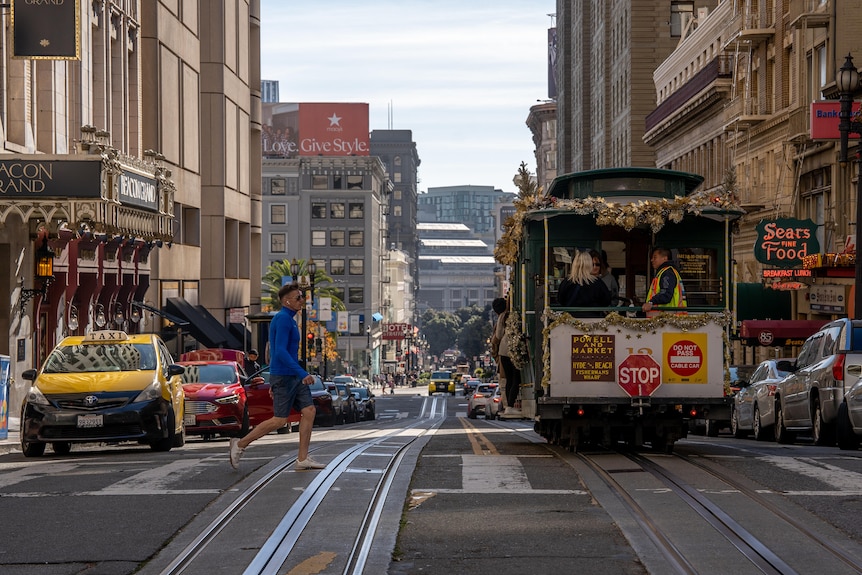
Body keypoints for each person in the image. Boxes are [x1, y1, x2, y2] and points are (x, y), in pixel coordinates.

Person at [229, 283, 325, 470]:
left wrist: (297, 374)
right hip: (285, 376)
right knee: (280, 420)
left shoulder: (289, 320)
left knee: (309, 411)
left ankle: (302, 458)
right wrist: (301, 373)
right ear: (287, 301)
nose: (301, 301)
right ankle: (240, 445)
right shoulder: (282, 319)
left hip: (292, 376)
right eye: (298, 298)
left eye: (301, 297)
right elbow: (279, 351)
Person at [556, 249, 612, 316]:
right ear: (590, 264)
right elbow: (606, 300)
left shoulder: (567, 282)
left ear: (574, 264)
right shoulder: (597, 282)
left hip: (570, 319)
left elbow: (561, 300)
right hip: (593, 319)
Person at [491, 297, 521, 414]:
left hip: (503, 351)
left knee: (509, 379)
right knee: (516, 379)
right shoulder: (508, 315)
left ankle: (509, 406)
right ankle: (510, 405)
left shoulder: (501, 317)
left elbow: (498, 335)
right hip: (512, 350)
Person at [641, 247, 687, 314]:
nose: (652, 260)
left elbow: (666, 294)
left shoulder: (667, 273)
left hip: (668, 318)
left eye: (655, 257)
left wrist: (651, 302)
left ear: (665, 258)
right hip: (669, 318)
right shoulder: (666, 272)